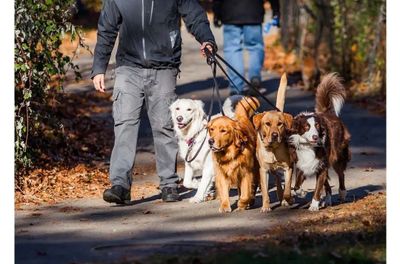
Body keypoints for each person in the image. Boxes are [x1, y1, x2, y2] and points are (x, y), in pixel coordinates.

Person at [91, 0, 217, 204]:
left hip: (164, 66)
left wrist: (207, 40)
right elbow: (106, 28)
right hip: (128, 68)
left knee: (165, 126)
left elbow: (195, 16)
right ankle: (120, 185)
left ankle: (168, 183)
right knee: (124, 125)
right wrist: (99, 67)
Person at [213, 0, 280, 95]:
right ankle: (255, 77)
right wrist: (276, 10)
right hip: (253, 11)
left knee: (232, 49)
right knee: (255, 47)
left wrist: (217, 12)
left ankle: (236, 85)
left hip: (230, 12)